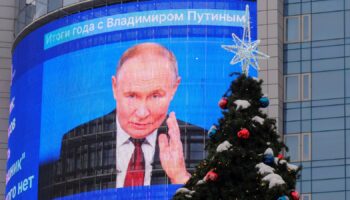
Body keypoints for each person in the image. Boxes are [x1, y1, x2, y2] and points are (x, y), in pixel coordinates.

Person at [39, 43, 206, 199]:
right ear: (114, 87)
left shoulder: (201, 143)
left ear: (174, 88)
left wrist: (180, 177)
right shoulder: (79, 141)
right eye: (132, 96)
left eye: (155, 96)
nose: (142, 113)